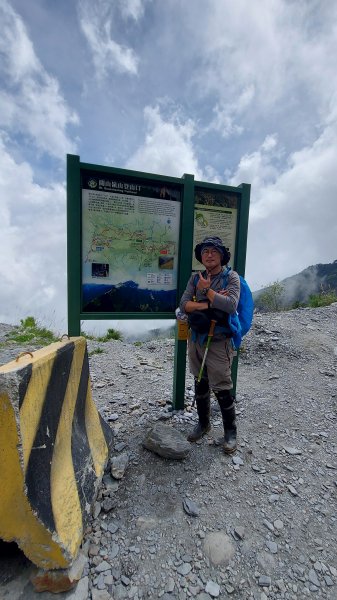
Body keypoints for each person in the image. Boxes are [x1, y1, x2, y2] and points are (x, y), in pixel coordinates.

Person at [179, 236, 240, 454]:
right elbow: (184, 304)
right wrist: (209, 302)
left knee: (222, 387)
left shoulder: (231, 278)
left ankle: (230, 433)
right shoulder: (196, 278)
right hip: (196, 340)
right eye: (205, 251)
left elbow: (231, 306)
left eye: (214, 250)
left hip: (219, 341)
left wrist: (207, 292)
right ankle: (203, 424)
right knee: (200, 381)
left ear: (222, 255)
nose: (209, 254)